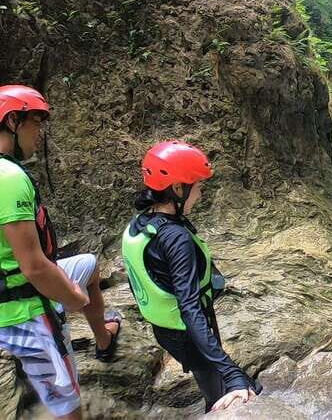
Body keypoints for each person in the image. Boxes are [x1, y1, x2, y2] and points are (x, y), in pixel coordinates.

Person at [0, 84, 122, 420]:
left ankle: (102, 340)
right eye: (35, 122)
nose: (39, 133)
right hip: (24, 312)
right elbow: (35, 267)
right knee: (68, 410)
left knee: (88, 265)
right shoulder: (8, 177)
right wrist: (73, 298)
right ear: (12, 121)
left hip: (9, 290)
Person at [121, 141, 261, 412]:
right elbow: (189, 309)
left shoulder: (142, 225)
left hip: (167, 332)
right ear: (177, 188)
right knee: (242, 395)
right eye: (197, 186)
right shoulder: (175, 238)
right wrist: (231, 374)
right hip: (188, 335)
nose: (200, 193)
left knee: (213, 386)